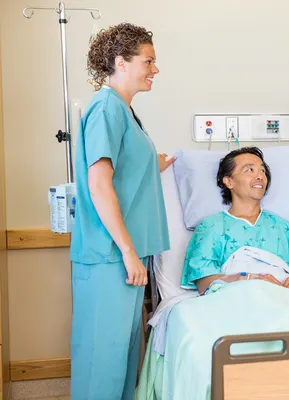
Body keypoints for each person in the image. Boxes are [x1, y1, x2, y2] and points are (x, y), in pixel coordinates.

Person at [69, 23, 176, 400]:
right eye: (148, 61)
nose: (155, 69)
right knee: (103, 362)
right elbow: (99, 184)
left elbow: (124, 168)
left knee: (123, 362)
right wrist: (129, 252)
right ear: (121, 62)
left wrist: (155, 163)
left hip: (125, 255)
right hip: (111, 255)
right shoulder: (105, 109)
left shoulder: (123, 111)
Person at [180, 147, 289, 294]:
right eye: (249, 170)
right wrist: (250, 279)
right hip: (239, 300)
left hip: (284, 298)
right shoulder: (211, 227)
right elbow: (204, 283)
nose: (260, 176)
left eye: (262, 171)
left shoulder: (285, 229)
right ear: (229, 182)